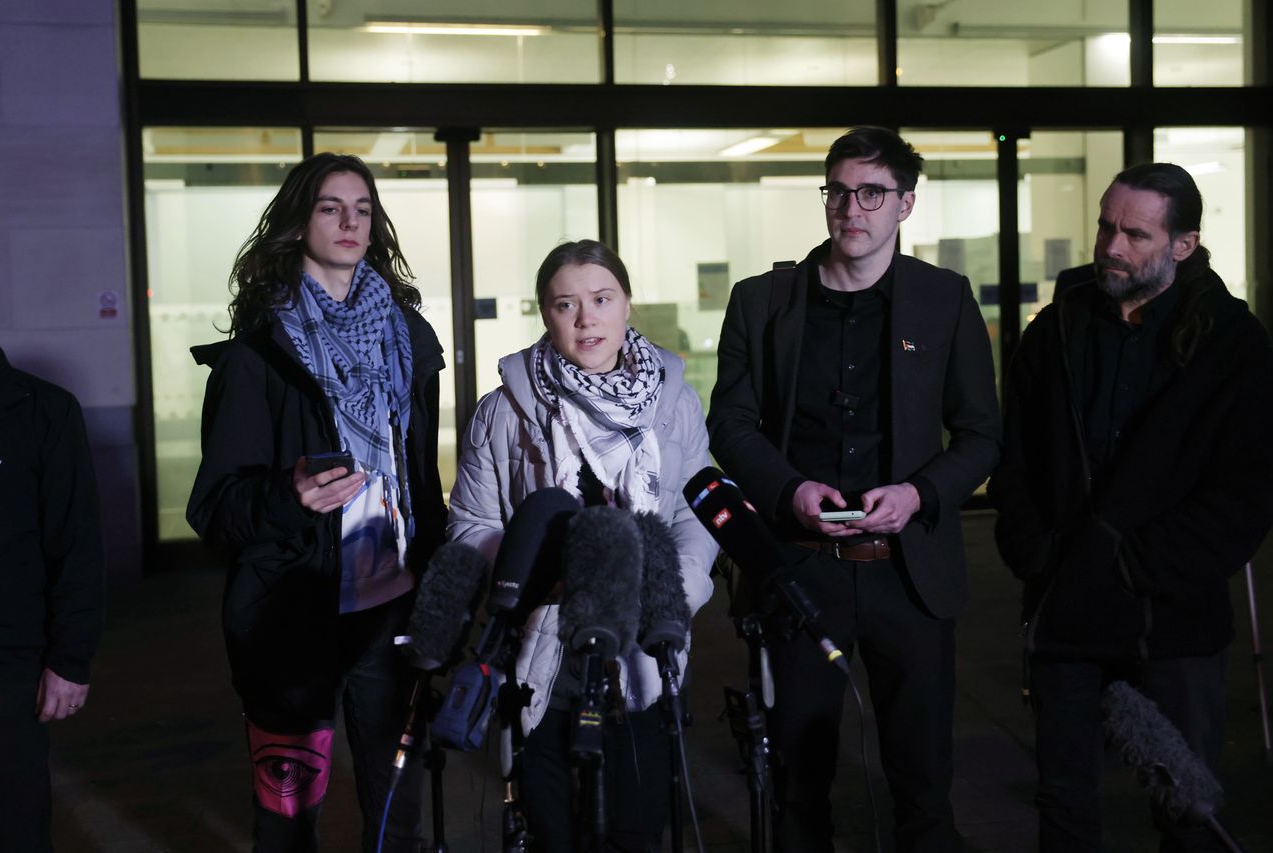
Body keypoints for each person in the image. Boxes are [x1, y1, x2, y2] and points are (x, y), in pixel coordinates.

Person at [707, 126, 1000, 852]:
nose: (851, 208)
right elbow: (732, 424)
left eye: (872, 193)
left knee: (924, 784)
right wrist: (787, 490)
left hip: (910, 573)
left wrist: (921, 494)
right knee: (797, 788)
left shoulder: (945, 299)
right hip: (801, 570)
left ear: (905, 204)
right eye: (838, 191)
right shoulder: (761, 301)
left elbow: (980, 435)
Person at [989, 162, 1273, 852]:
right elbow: (1015, 458)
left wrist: (1133, 563)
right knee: (1063, 806)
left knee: (1186, 810)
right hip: (1064, 611)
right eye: (1106, 226)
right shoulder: (1056, 330)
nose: (1112, 245)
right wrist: (1039, 552)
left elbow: (1246, 491)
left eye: (1136, 234)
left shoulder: (1232, 343)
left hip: (1171, 620)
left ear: (1184, 244)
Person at [186, 153, 446, 852]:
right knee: (287, 823)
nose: (349, 221)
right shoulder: (257, 356)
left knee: (399, 817)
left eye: (362, 208)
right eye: (331, 207)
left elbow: (422, 480)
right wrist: (289, 494)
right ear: (299, 222)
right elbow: (214, 507)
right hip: (292, 618)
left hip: (392, 606)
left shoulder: (409, 340)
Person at [447, 239, 717, 851]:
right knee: (553, 832)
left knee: (638, 828)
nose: (586, 318)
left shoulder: (675, 405)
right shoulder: (502, 412)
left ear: (627, 304)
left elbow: (693, 515)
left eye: (601, 299)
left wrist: (673, 594)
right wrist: (540, 575)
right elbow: (470, 526)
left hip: (643, 648)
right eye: (565, 304)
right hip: (544, 651)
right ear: (545, 313)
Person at [0, 343, 105, 853]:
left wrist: (70, 658)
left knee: (14, 825)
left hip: (8, 667)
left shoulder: (42, 410)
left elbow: (76, 543)